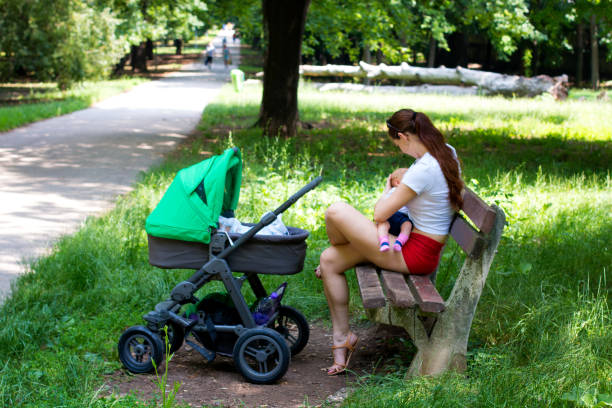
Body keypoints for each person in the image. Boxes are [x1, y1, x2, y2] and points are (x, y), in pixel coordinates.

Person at [315, 109, 463, 376]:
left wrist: (387, 188)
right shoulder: (445, 152)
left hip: (414, 253)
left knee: (335, 211)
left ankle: (345, 242)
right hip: (416, 244)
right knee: (329, 260)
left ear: (404, 137)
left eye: (396, 143)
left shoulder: (423, 170)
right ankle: (343, 339)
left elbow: (380, 214)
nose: (398, 149)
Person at [376, 167, 412, 252]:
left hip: (403, 217)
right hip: (390, 214)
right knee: (382, 224)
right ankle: (384, 242)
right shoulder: (394, 191)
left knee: (407, 225)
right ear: (398, 183)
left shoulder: (409, 192)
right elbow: (383, 203)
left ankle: (399, 242)